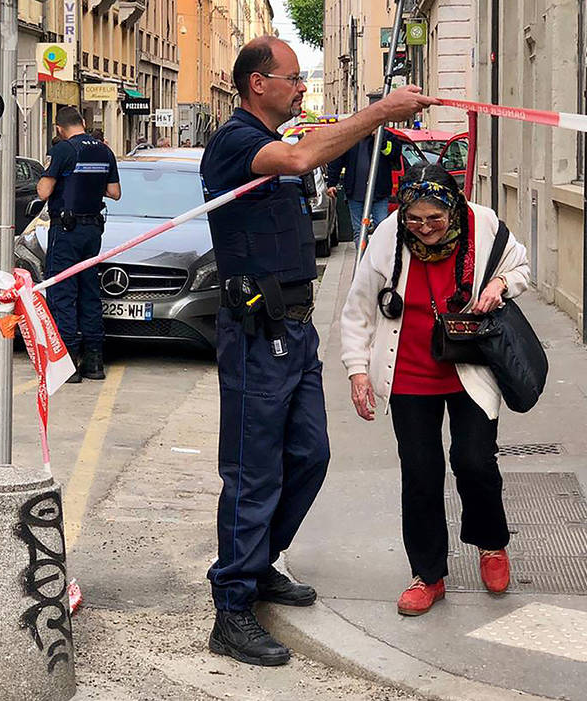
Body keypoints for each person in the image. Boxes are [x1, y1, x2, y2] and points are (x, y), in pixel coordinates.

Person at [199, 35, 438, 666]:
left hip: (293, 331)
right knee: (253, 470)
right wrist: (380, 113)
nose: (302, 87)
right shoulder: (236, 141)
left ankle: (257, 563)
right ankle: (232, 603)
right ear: (257, 83)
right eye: (292, 77)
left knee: (310, 455)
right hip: (255, 333)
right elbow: (304, 158)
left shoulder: (274, 137)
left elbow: (310, 145)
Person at [340, 163, 530, 616]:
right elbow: (359, 307)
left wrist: (501, 283)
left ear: (454, 209)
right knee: (421, 474)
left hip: (470, 367)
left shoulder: (483, 224)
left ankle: (491, 543)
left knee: (474, 463)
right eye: (415, 220)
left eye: (435, 219)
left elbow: (520, 264)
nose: (424, 229)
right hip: (407, 371)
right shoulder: (388, 235)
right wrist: (357, 370)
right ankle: (428, 575)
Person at [36, 106, 121, 383]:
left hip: (66, 230)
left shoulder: (63, 150)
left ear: (59, 128)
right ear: (83, 123)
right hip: (92, 230)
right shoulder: (104, 151)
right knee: (89, 292)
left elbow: (44, 191)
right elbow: (114, 192)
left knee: (62, 293)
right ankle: (95, 360)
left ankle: (69, 360)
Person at [325, 98, 402, 250]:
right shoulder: (351, 138)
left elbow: (394, 154)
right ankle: (362, 261)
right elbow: (337, 159)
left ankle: (380, 259)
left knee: (381, 227)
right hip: (356, 192)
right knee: (359, 230)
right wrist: (331, 183)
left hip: (378, 192)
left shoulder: (385, 136)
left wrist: (379, 140)